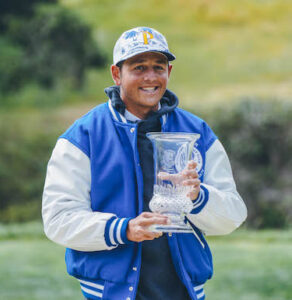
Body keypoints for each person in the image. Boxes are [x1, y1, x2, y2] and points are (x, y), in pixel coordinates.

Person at [42, 26, 247, 300]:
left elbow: (233, 215)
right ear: (117, 74)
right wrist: (124, 229)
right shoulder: (83, 136)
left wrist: (198, 198)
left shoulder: (198, 133)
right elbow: (58, 220)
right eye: (139, 67)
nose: (151, 77)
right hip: (110, 293)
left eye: (158, 67)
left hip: (185, 291)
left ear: (169, 73)